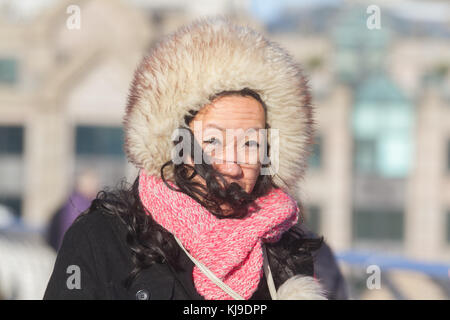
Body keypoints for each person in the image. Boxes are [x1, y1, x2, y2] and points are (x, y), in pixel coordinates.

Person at [44, 17, 327, 300]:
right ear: (175, 143)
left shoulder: (287, 257)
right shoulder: (103, 240)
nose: (231, 167)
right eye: (213, 141)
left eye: (251, 144)